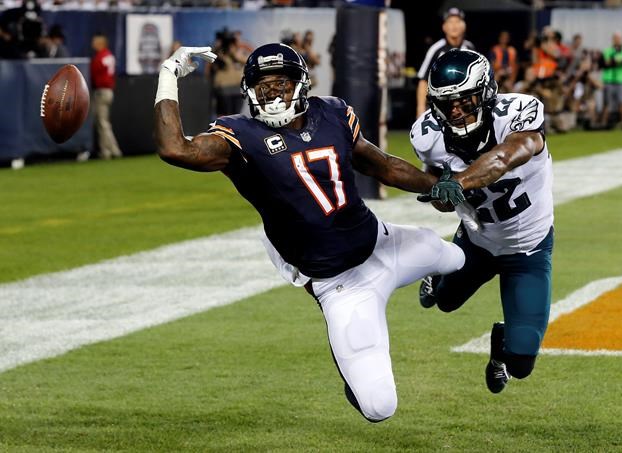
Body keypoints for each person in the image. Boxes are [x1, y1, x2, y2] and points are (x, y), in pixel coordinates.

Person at [153, 43, 466, 422]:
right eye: (264, 86)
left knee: (456, 257)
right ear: (250, 91)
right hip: (342, 285)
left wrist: (435, 184)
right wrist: (168, 76)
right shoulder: (239, 136)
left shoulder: (333, 113)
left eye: (281, 84)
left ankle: (432, 285)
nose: (273, 94)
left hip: (383, 244)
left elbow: (381, 165)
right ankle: (353, 378)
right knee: (380, 407)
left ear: (301, 84)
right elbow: (174, 149)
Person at [412, 49, 554, 394]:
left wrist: (458, 183)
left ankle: (500, 344)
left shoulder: (518, 113)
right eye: (447, 104)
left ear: (487, 91)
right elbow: (441, 196)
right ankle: (438, 271)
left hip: (527, 248)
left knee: (521, 363)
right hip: (477, 238)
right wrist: (443, 197)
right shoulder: (428, 137)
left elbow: (507, 155)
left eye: (465, 99)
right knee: (444, 302)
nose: (456, 110)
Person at [415, 7, 475, 117]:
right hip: (441, 104)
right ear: (444, 27)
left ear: (464, 26)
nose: (454, 25)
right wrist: (420, 109)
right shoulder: (436, 49)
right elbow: (423, 80)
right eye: (450, 22)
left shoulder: (469, 48)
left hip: (464, 105)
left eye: (457, 21)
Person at [91, 32, 122, 159]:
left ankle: (111, 150)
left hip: (102, 91)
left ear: (101, 43)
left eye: (95, 41)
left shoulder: (100, 57)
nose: (92, 44)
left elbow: (94, 74)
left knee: (103, 123)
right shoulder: (109, 55)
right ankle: (109, 150)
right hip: (108, 90)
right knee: (102, 122)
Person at [599, 32, 622, 129]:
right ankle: (603, 123)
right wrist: (616, 61)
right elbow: (603, 63)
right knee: (607, 102)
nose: (617, 40)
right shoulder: (607, 50)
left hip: (621, 79)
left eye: (618, 38)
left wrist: (613, 61)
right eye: (615, 38)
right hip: (609, 79)